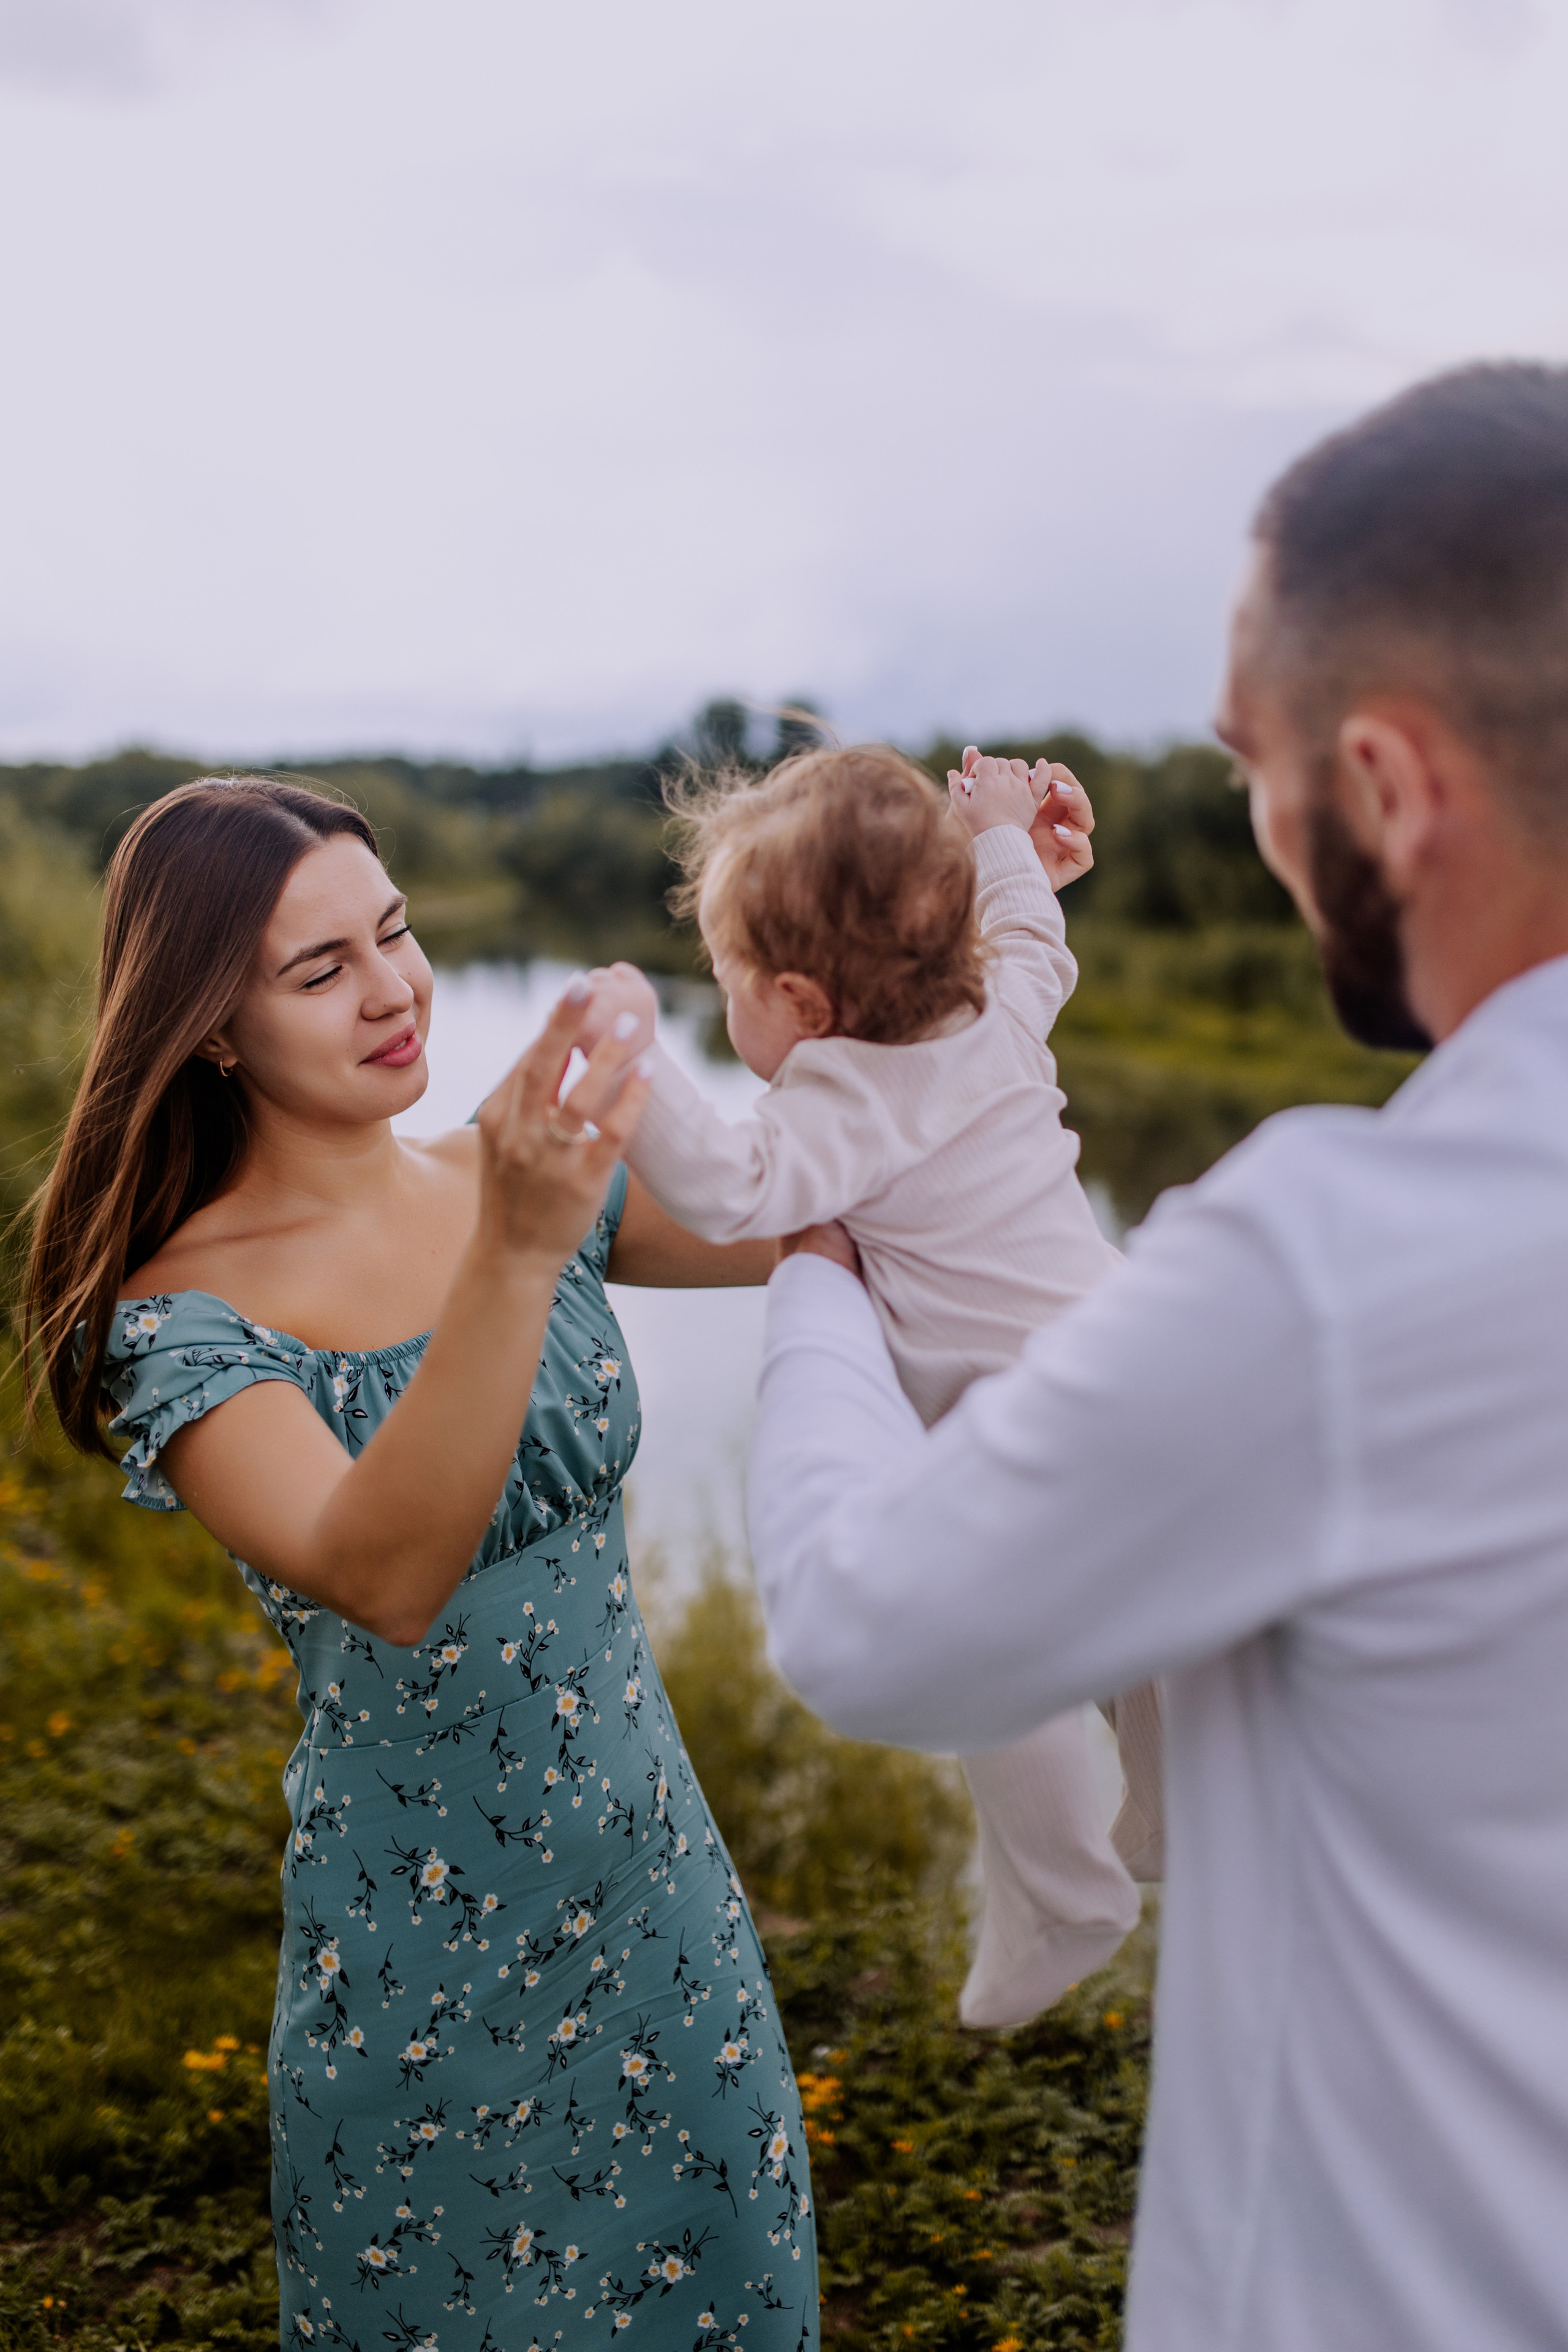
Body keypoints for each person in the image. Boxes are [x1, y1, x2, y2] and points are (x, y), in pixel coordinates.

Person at [742, 362, 1568, 2352]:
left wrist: (824, 1268)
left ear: (1381, 786)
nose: (1265, 832)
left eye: (1249, 769)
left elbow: (872, 1623)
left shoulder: (1342, 1271)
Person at [22, 777, 818, 2352]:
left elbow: (834, 1215)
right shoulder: (183, 1323)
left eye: (393, 931)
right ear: (212, 1028)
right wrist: (516, 1249)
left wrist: (975, 928)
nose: (391, 988)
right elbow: (379, 1568)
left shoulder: (510, 1176)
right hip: (428, 1993)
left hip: (663, 1927)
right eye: (320, 971)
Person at [576, 741, 1162, 2027]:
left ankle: (1061, 1895)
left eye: (722, 984)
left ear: (799, 1000)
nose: (721, 1010)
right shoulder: (1002, 1014)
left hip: (997, 1442)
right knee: (1162, 1631)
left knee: (987, 1675)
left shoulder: (843, 1102)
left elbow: (732, 1184)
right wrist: (1002, 831)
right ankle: (1172, 1809)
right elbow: (1030, 935)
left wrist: (631, 1065)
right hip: (1122, 1377)